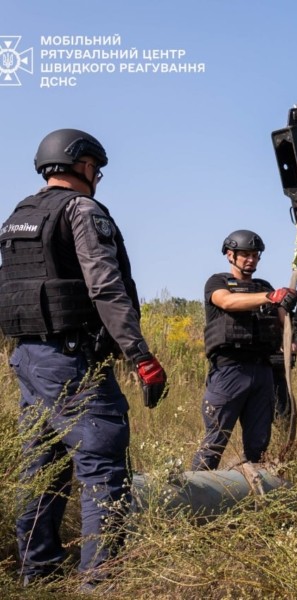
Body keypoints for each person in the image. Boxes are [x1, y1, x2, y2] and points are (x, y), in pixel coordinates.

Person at [0, 128, 168, 586]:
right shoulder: (82, 210)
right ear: (83, 165)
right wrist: (141, 356)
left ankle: (38, 572)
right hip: (72, 362)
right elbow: (105, 287)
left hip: (29, 360)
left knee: (43, 469)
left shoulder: (20, 216)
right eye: (97, 167)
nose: (98, 176)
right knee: (103, 468)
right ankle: (102, 581)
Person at [191, 230, 297, 471]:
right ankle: (193, 495)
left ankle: (254, 499)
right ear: (230, 255)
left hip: (262, 371)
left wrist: (289, 305)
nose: (251, 259)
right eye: (245, 255)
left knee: (259, 447)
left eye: (254, 255)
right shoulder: (217, 282)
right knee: (214, 443)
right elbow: (227, 302)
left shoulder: (264, 287)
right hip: (230, 370)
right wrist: (271, 297)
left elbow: (284, 322)